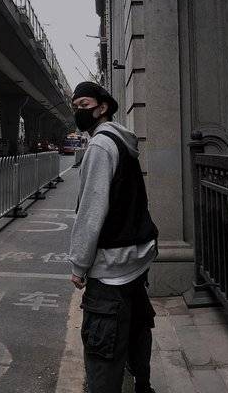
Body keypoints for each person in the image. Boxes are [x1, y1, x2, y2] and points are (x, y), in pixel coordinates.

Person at [69, 81, 159, 393]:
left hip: (112, 265)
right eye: (75, 107)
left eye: (84, 105)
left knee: (102, 349)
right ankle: (142, 386)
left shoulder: (99, 146)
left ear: (102, 107)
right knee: (135, 329)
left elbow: (91, 211)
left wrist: (79, 265)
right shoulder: (122, 141)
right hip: (136, 258)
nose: (79, 112)